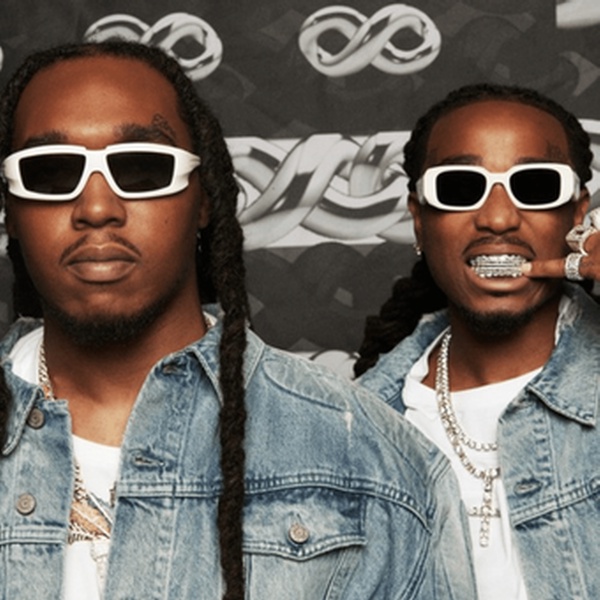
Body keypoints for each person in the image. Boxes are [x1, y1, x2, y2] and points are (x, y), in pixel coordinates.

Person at [0, 41, 477, 600]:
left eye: (143, 169)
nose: (97, 208)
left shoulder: (374, 464)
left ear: (204, 199)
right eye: (51, 173)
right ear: (11, 209)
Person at [355, 82, 600, 600]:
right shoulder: (356, 429)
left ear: (577, 214)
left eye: (535, 185)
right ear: (418, 220)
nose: (498, 218)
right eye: (460, 187)